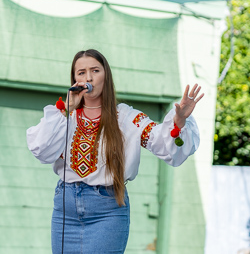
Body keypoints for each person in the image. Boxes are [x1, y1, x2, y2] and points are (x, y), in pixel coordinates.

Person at [26, 49, 204, 254]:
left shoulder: (126, 117)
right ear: (74, 78)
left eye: (95, 70)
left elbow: (163, 144)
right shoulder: (64, 117)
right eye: (81, 72)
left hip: (107, 210)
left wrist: (179, 121)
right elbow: (40, 149)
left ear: (106, 76)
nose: (88, 77)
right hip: (66, 210)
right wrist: (67, 108)